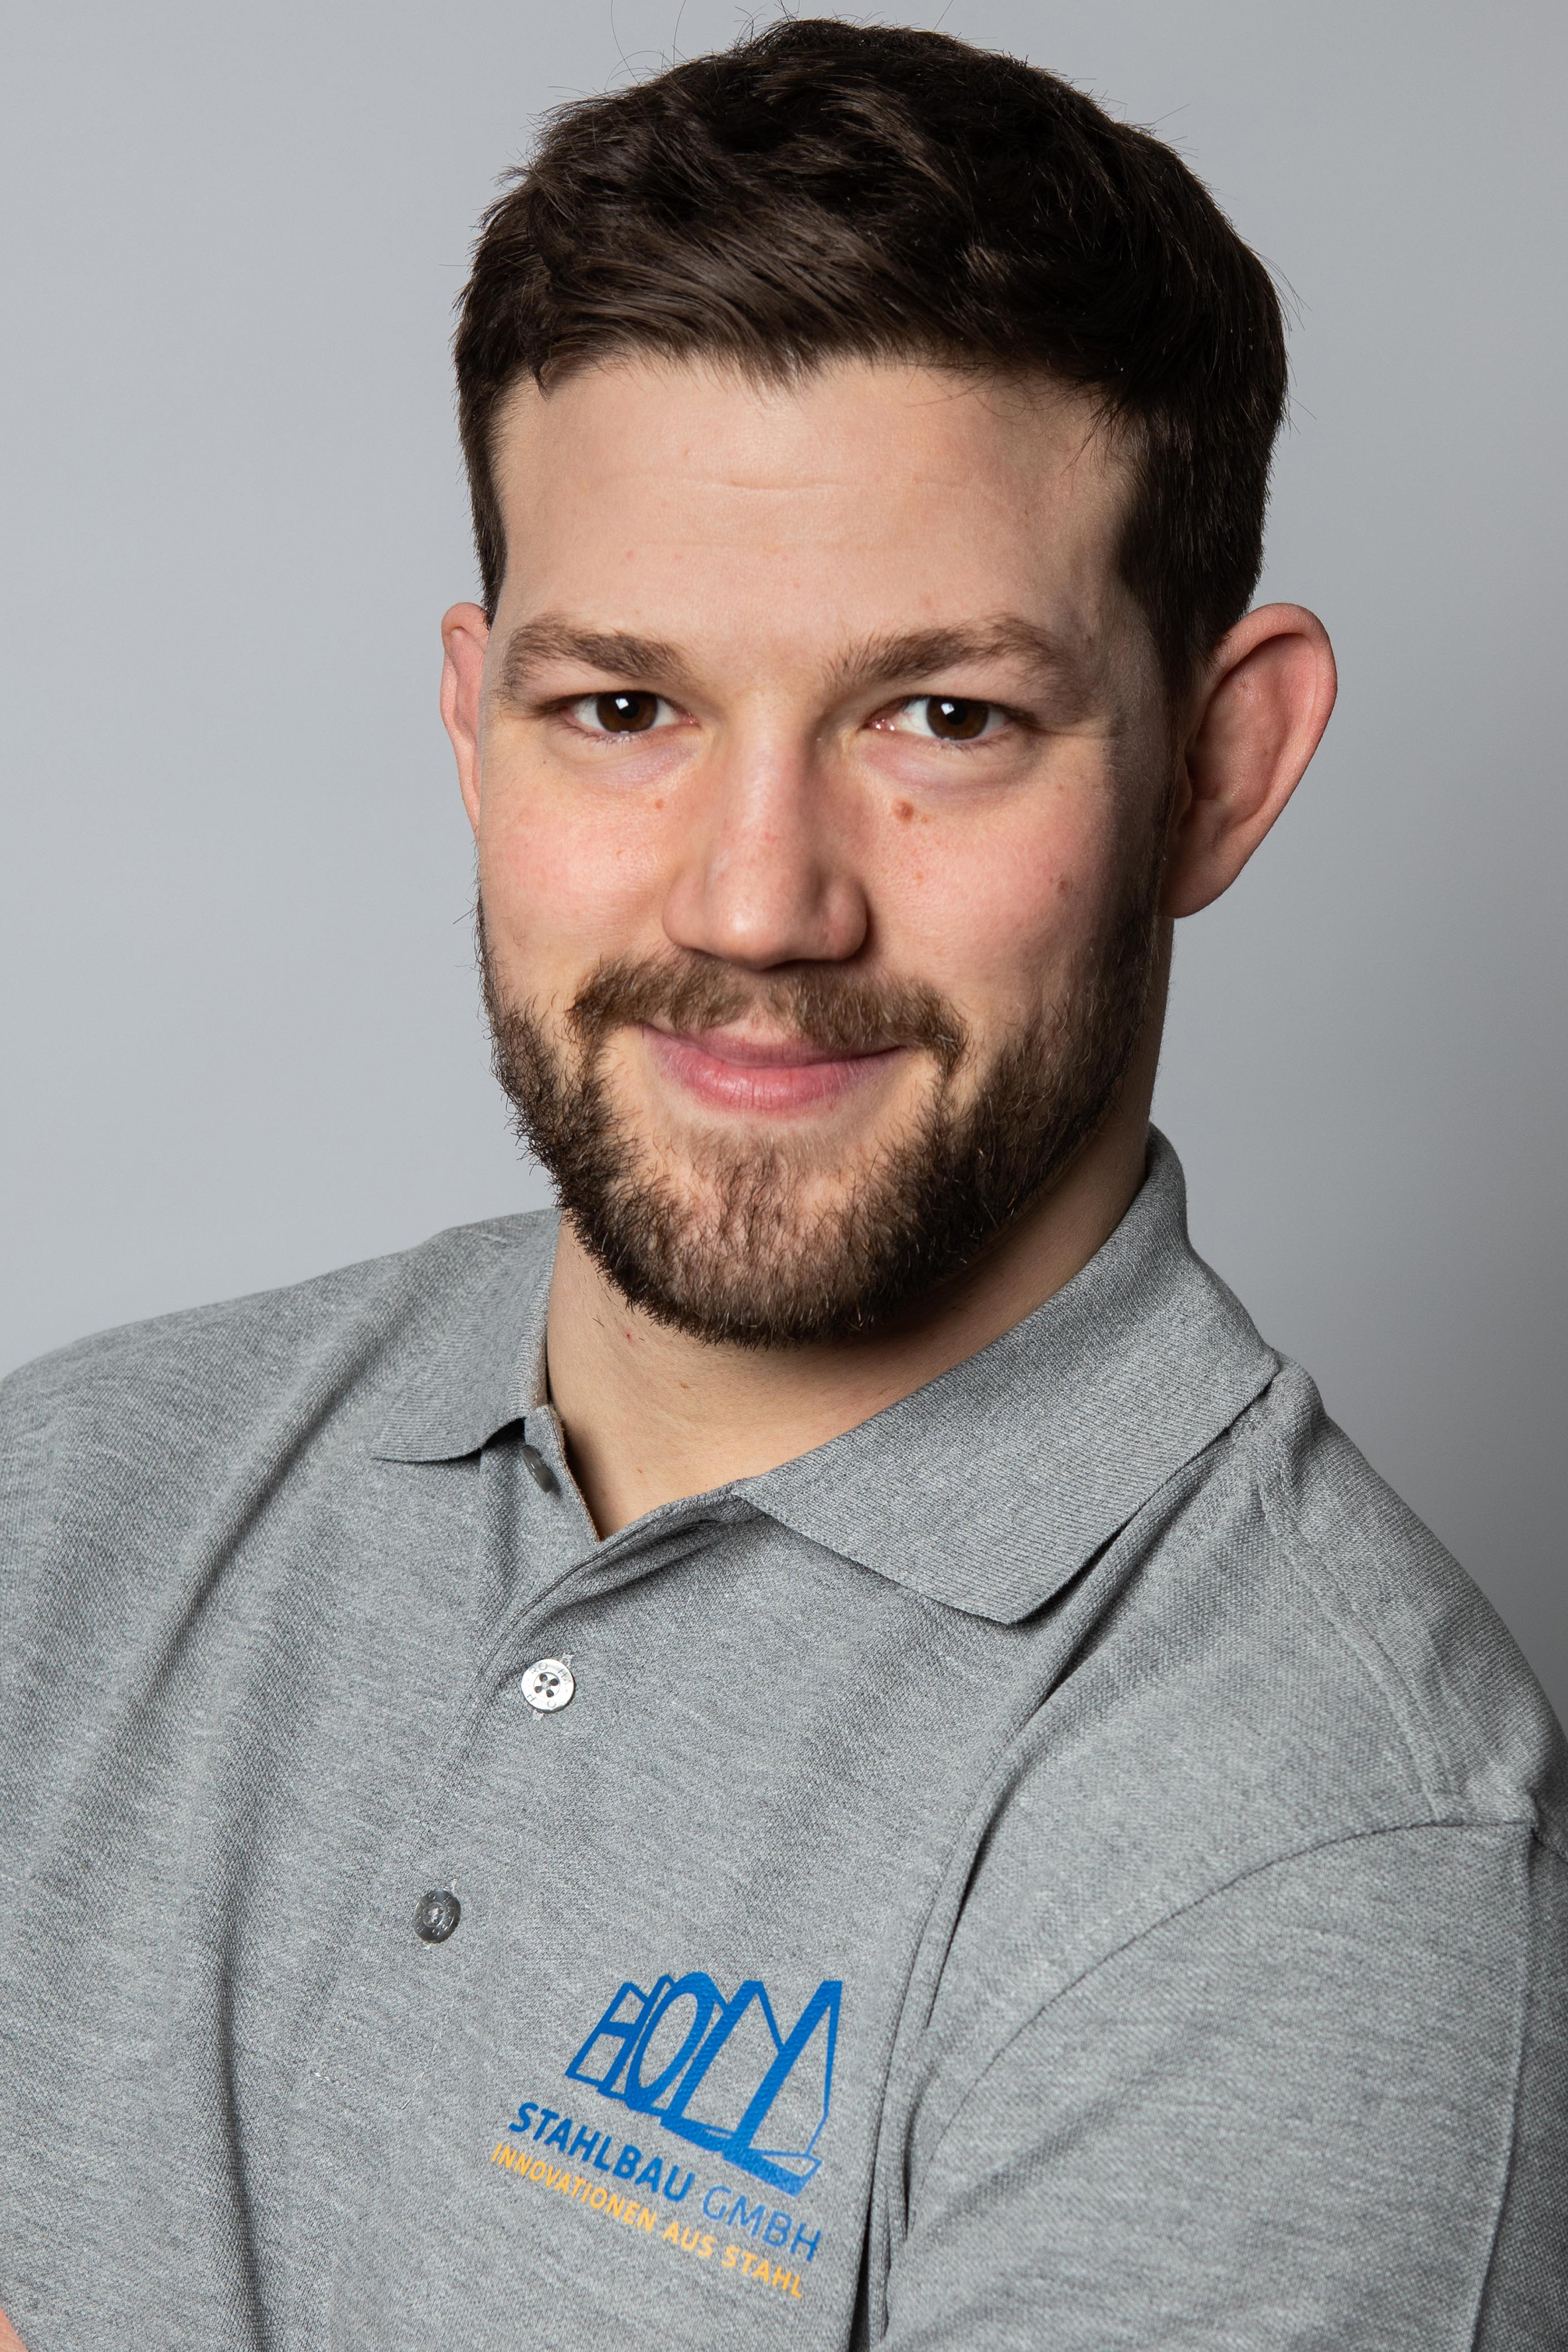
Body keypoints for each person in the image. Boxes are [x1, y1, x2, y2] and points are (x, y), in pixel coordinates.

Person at [1, 17, 1563, 2349]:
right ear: (474, 719)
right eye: (620, 709)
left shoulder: (1311, 1839)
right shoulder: (67, 1504)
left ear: (1217, 772)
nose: (755, 905)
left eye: (943, 715)